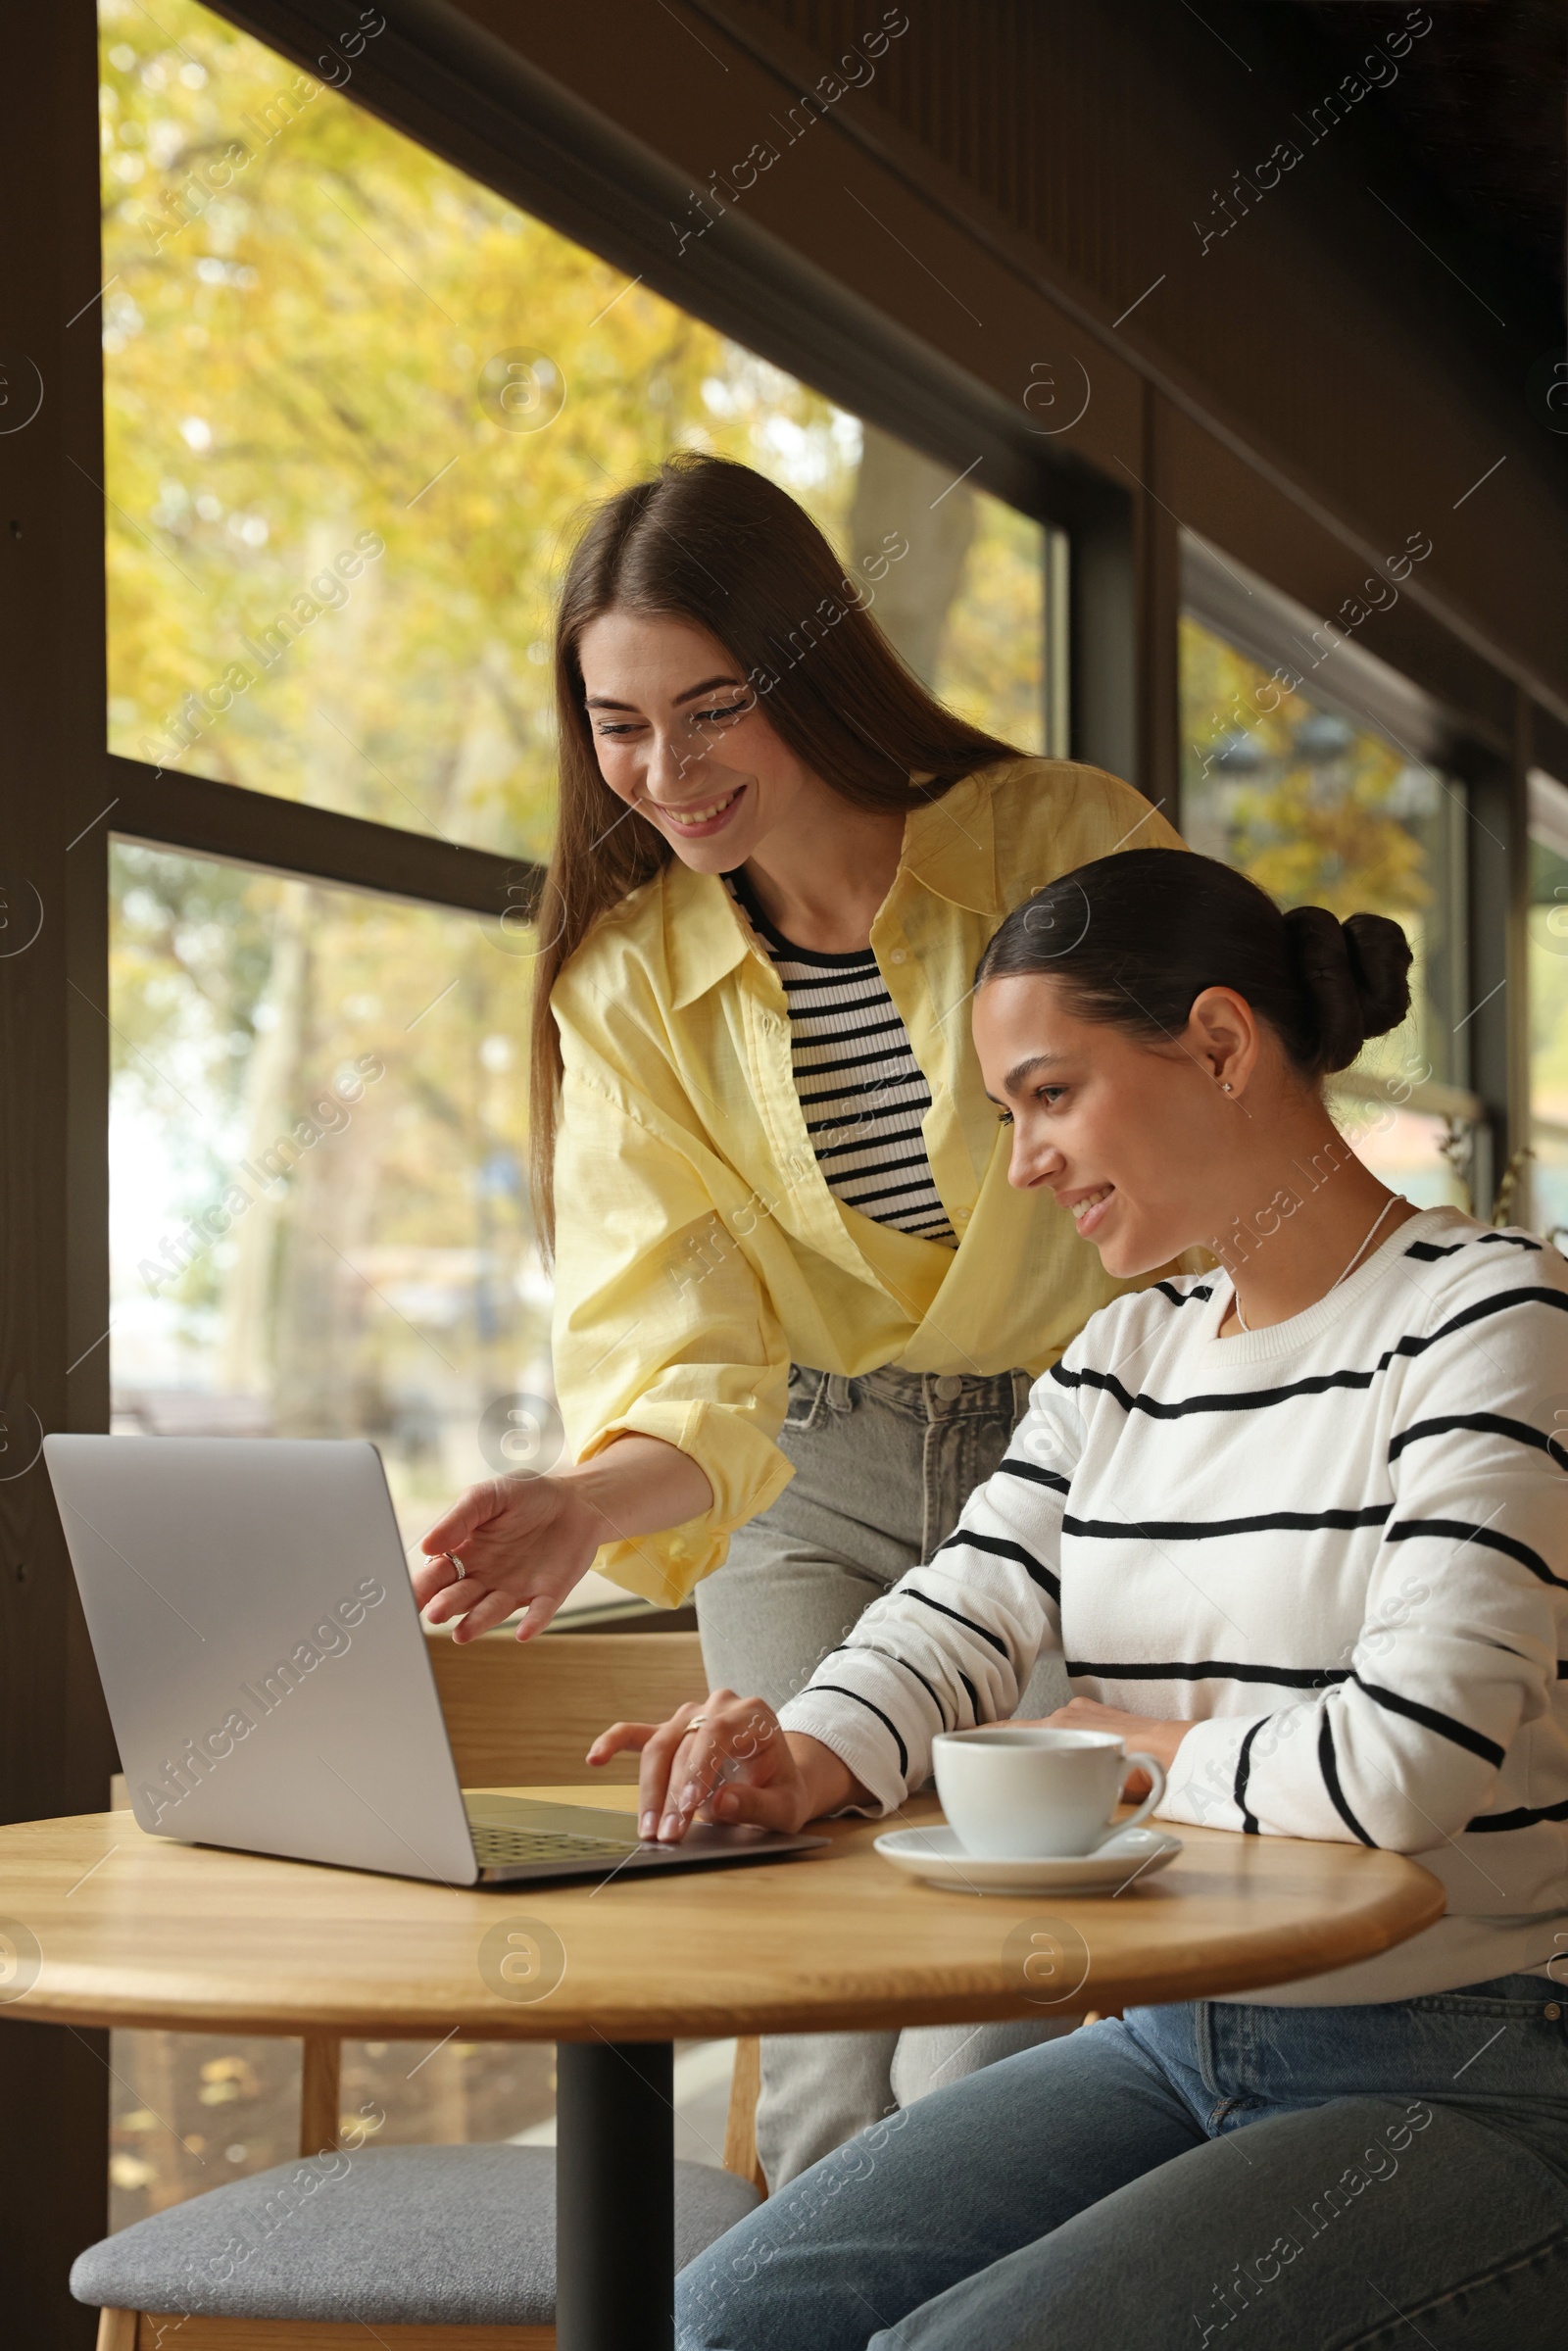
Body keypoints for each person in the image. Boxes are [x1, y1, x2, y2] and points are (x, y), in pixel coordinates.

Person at [590, 847, 1568, 2351]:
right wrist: (805, 1756)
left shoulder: (1490, 1316)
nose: (1023, 1160)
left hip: (1471, 2058)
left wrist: (1142, 1750)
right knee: (724, 2326)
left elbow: (1406, 1766)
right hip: (1174, 2041)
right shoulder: (1128, 1354)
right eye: (1005, 1115)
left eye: (1052, 1094)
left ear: (1224, 1045)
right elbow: (964, 1608)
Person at [411, 453, 1185, 2181]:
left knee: (989, 2008)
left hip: (1078, 1459)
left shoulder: (1069, 845)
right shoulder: (626, 983)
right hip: (803, 1480)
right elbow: (685, 1347)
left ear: (812, 666)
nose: (664, 775)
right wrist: (580, 1503)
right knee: (818, 2023)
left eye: (713, 708)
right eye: (618, 725)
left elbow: (1201, 1172)